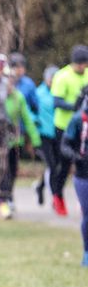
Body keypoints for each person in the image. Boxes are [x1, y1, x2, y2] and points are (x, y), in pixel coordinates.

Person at [0, 53, 40, 219]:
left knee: (12, 169)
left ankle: (4, 198)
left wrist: (35, 141)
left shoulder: (16, 96)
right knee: (2, 168)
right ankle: (1, 201)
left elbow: (27, 117)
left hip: (11, 137)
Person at [50, 45, 88, 216]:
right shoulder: (62, 76)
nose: (83, 67)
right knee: (64, 164)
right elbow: (56, 102)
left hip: (84, 126)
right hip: (64, 127)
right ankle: (58, 196)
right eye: (80, 64)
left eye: (85, 64)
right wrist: (74, 107)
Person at [60, 87, 88, 267]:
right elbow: (65, 144)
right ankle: (87, 252)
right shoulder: (78, 120)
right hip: (83, 175)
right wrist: (76, 157)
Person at [34, 65, 60, 206]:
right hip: (43, 134)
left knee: (56, 166)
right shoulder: (38, 93)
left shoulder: (59, 93)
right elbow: (30, 110)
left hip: (57, 133)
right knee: (52, 166)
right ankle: (55, 197)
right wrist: (34, 120)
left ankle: (40, 187)